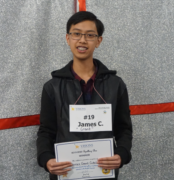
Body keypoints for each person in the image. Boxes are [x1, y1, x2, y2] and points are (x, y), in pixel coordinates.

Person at [36, 11, 132, 180]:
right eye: (76, 34)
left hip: (103, 173)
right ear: (68, 38)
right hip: (66, 173)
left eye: (89, 35)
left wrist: (122, 154)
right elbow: (46, 131)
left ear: (98, 41)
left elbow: (123, 129)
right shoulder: (52, 87)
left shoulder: (116, 85)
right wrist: (46, 159)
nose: (82, 40)